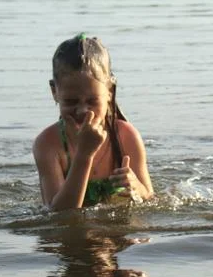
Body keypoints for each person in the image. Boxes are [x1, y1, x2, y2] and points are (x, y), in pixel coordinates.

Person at [33, 33, 153, 211]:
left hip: (117, 235)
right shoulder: (48, 144)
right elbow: (60, 215)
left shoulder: (126, 136)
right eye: (71, 102)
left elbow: (151, 200)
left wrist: (138, 188)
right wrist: (84, 154)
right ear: (54, 92)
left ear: (109, 91)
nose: (82, 110)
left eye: (92, 101)